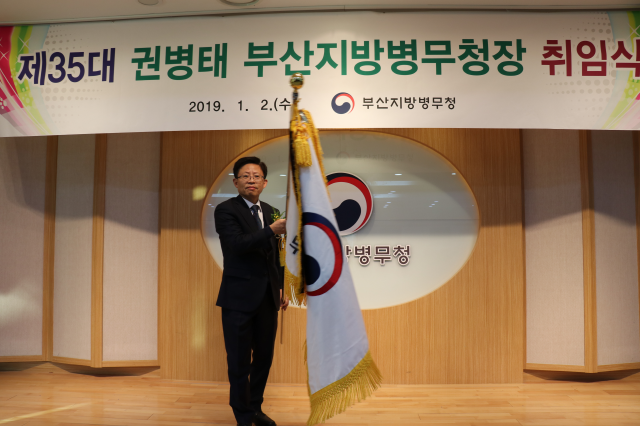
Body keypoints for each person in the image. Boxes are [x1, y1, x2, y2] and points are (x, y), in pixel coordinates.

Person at [214, 156, 289, 426]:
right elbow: (237, 244)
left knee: (264, 359)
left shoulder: (272, 211)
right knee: (239, 362)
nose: (251, 180)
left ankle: (255, 407)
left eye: (256, 176)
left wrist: (280, 286)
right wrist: (270, 230)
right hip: (238, 298)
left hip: (268, 298)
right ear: (236, 182)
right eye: (245, 176)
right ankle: (243, 416)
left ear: (265, 183)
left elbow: (277, 255)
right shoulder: (225, 210)